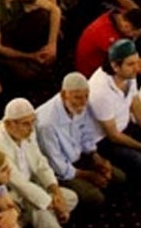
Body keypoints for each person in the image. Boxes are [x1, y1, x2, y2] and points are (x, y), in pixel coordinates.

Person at [0, 98, 78, 228]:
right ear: (9, 124)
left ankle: (26, 219)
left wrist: (56, 192)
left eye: (33, 122)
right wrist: (52, 205)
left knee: (70, 198)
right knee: (41, 210)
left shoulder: (27, 131)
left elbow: (40, 163)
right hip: (10, 195)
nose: (31, 129)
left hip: (32, 185)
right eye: (26, 124)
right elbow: (20, 185)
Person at [34, 72, 122, 211]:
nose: (84, 102)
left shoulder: (80, 105)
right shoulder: (47, 124)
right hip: (59, 173)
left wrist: (95, 157)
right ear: (64, 95)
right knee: (96, 198)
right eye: (78, 97)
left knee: (119, 178)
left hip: (78, 159)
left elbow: (85, 133)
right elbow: (58, 166)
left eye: (86, 96)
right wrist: (88, 175)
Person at [87, 39, 141, 182]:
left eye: (137, 62)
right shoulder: (100, 91)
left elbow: (136, 105)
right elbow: (113, 135)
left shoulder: (128, 74)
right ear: (115, 66)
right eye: (131, 64)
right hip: (104, 140)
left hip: (125, 126)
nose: (137, 68)